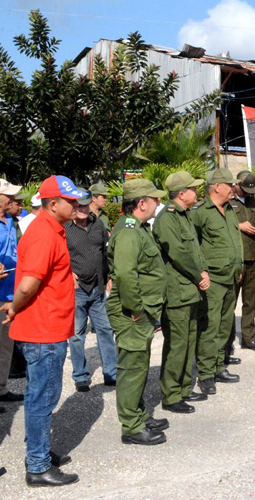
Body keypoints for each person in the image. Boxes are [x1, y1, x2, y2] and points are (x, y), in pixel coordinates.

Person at [2, 175, 84, 487]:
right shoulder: (44, 235)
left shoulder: (50, 229)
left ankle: (40, 451)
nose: (76, 205)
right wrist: (15, 307)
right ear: (53, 204)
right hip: (42, 330)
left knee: (44, 395)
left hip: (47, 327)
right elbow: (27, 285)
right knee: (41, 397)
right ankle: (37, 466)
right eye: (71, 201)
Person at [106, 179, 170, 445]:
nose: (158, 203)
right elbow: (126, 275)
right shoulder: (130, 233)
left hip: (142, 310)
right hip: (132, 312)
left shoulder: (139, 229)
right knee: (132, 369)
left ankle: (139, 414)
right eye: (154, 199)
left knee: (139, 367)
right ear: (142, 203)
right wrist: (135, 309)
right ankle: (131, 427)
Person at [152, 171, 210, 413]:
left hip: (190, 291)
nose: (197, 192)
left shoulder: (185, 216)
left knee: (188, 341)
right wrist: (199, 275)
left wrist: (204, 270)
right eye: (194, 189)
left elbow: (195, 251)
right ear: (182, 193)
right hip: (178, 291)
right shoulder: (168, 218)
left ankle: (184, 387)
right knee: (176, 344)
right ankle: (171, 394)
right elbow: (178, 254)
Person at [193, 168, 243, 394]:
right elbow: (192, 246)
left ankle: (219, 367)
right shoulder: (201, 212)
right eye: (229, 184)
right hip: (213, 281)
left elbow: (236, 241)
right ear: (216, 187)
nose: (233, 188)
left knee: (225, 326)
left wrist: (239, 266)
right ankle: (205, 374)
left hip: (231, 278)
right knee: (210, 328)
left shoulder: (230, 210)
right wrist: (201, 272)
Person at [65, 192, 116, 392]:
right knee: (77, 335)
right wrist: (68, 272)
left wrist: (110, 275)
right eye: (79, 206)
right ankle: (81, 376)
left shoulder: (98, 226)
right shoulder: (65, 229)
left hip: (98, 287)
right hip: (77, 290)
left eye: (86, 206)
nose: (83, 210)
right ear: (72, 207)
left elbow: (106, 252)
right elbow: (59, 256)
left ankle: (111, 373)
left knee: (105, 330)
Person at [228, 170, 255, 353]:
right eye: (244, 189)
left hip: (253, 258)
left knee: (250, 301)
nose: (247, 193)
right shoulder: (227, 202)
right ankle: (226, 342)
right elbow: (218, 225)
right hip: (235, 259)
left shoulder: (254, 200)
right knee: (230, 302)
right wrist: (239, 226)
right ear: (236, 185)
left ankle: (248, 338)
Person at [0, 178, 24, 405]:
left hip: (10, 295)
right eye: (8, 195)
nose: (13, 199)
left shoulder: (9, 221)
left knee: (5, 348)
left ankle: (2, 388)